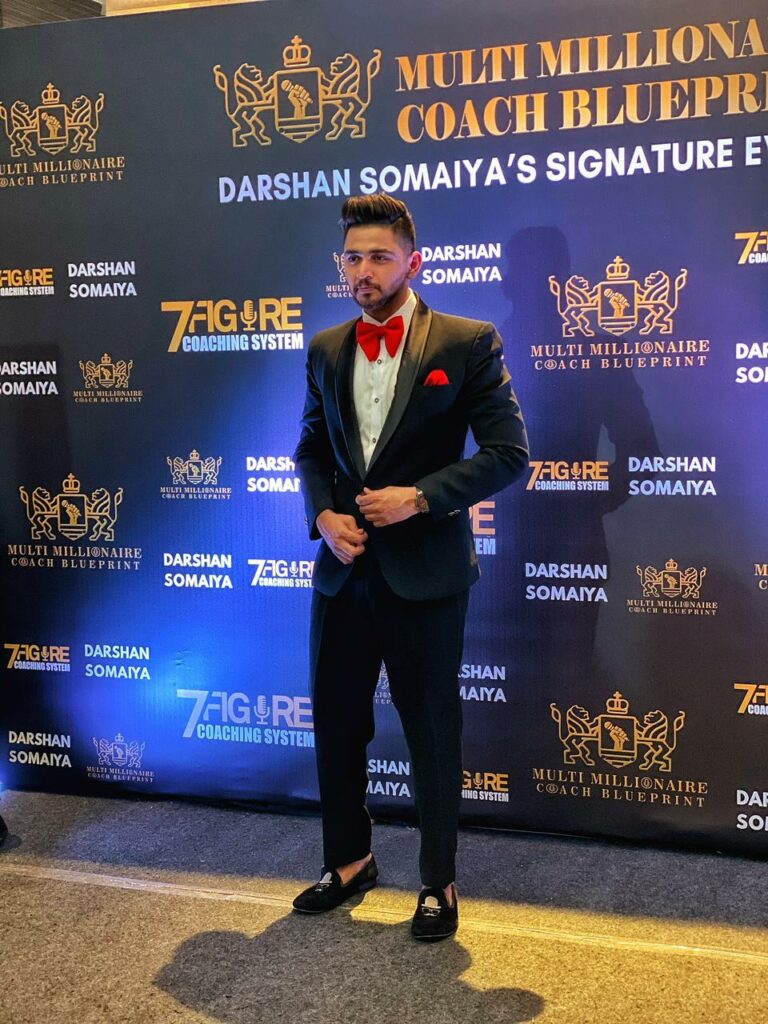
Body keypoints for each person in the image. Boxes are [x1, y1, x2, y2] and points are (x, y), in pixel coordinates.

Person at [292, 193, 528, 940]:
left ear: (413, 262)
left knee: (430, 729)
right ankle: (349, 860)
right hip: (343, 570)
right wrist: (323, 517)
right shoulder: (326, 347)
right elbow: (311, 450)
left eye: (379, 257)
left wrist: (421, 498)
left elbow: (508, 455)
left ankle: (437, 882)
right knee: (336, 721)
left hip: (425, 573)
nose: (362, 271)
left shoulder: (467, 341)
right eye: (352, 258)